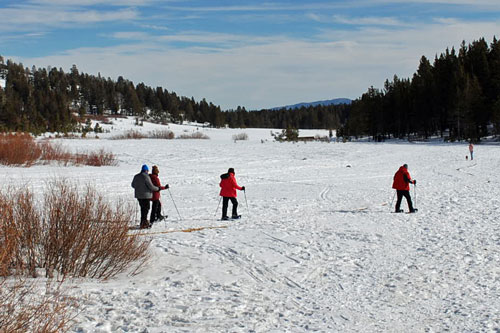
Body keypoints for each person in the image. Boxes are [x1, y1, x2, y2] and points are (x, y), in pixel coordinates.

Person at [131, 164, 160, 229]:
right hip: (146, 196)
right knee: (146, 209)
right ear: (146, 170)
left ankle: (143, 222)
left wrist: (139, 188)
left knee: (142, 209)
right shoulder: (146, 177)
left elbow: (133, 185)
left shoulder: (136, 176)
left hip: (138, 196)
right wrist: (158, 189)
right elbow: (151, 186)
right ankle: (143, 223)